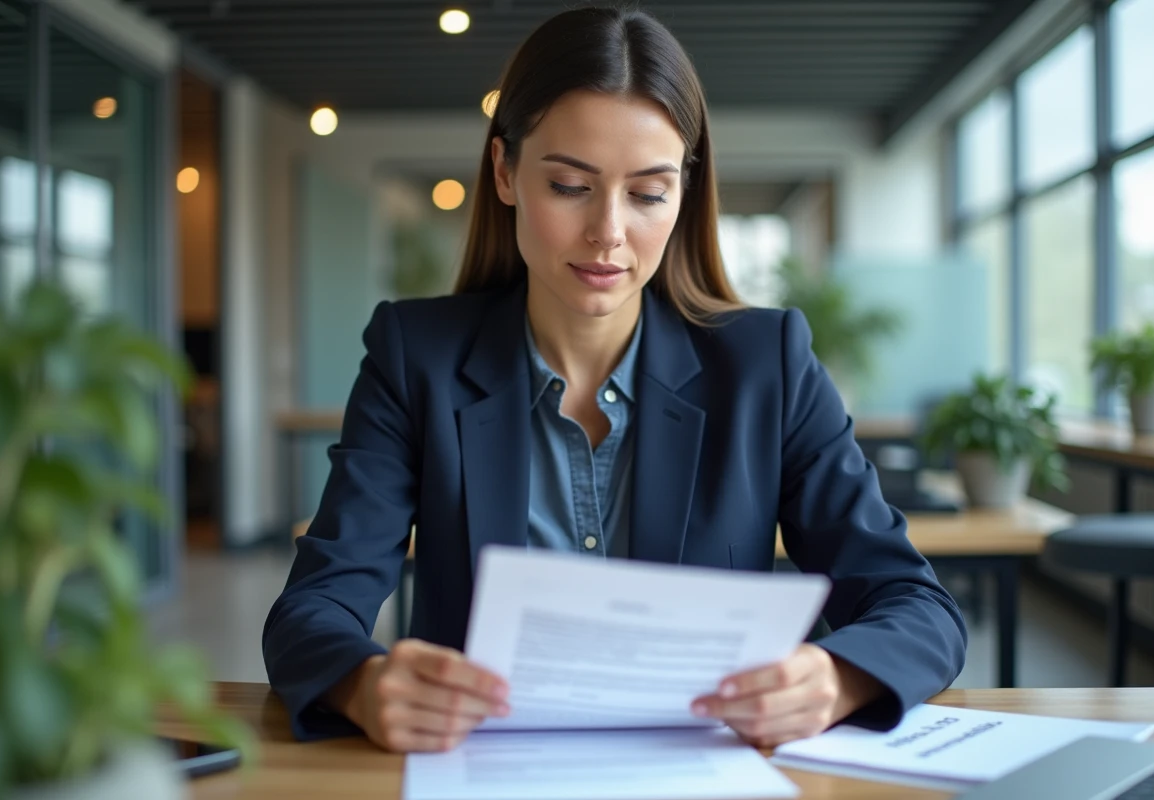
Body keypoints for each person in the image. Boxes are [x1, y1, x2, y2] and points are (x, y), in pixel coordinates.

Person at [262, 6, 967, 754]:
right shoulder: (417, 358)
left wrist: (837, 677)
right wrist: (364, 684)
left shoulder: (768, 364)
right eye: (570, 185)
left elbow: (919, 607)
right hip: (480, 774)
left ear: (684, 193)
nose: (608, 231)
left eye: (648, 193)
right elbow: (312, 611)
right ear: (504, 172)